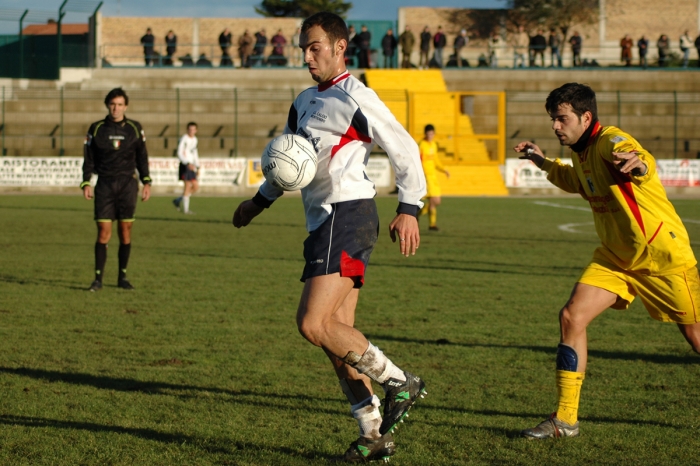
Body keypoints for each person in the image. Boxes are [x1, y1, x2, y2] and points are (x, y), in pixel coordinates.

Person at [232, 12, 427, 462]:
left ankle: (401, 381)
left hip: (349, 213)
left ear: (340, 47)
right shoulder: (302, 102)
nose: (306, 55)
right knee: (337, 339)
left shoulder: (356, 95)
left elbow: (404, 147)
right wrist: (257, 203)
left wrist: (410, 207)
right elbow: (290, 164)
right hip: (323, 221)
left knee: (312, 324)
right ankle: (374, 434)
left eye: (315, 46)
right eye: (303, 47)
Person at [515, 82, 700, 440]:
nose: (555, 126)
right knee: (572, 316)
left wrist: (640, 163)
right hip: (616, 257)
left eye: (562, 118)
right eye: (553, 119)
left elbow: (633, 154)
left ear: (586, 117)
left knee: (695, 338)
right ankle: (565, 419)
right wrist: (540, 160)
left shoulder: (610, 142)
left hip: (661, 256)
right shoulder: (580, 151)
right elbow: (577, 181)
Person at [81, 88, 151, 292]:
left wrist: (147, 182)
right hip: (105, 185)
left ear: (126, 106)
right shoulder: (96, 128)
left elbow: (142, 158)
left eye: (120, 104)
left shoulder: (134, 128)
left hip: (128, 185)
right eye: (113, 104)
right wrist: (86, 182)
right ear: (107, 105)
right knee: (103, 232)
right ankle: (97, 280)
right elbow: (89, 158)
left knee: (125, 232)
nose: (116, 108)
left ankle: (122, 277)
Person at [418, 124, 449, 231]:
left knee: (436, 201)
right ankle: (432, 224)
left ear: (434, 134)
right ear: (425, 134)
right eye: (428, 134)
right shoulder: (422, 145)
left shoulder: (433, 145)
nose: (430, 136)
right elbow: (419, 160)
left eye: (431, 134)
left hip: (433, 176)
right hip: (426, 176)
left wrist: (444, 170)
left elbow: (435, 160)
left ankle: (420, 216)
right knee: (434, 200)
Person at [173, 122, 199, 215]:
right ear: (187, 130)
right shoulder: (184, 139)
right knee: (187, 187)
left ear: (196, 130)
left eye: (193, 129)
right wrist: (187, 163)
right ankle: (186, 210)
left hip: (192, 165)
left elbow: (195, 153)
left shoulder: (195, 139)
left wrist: (197, 165)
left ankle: (178, 200)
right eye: (190, 129)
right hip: (185, 165)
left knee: (195, 187)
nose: (191, 131)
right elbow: (179, 152)